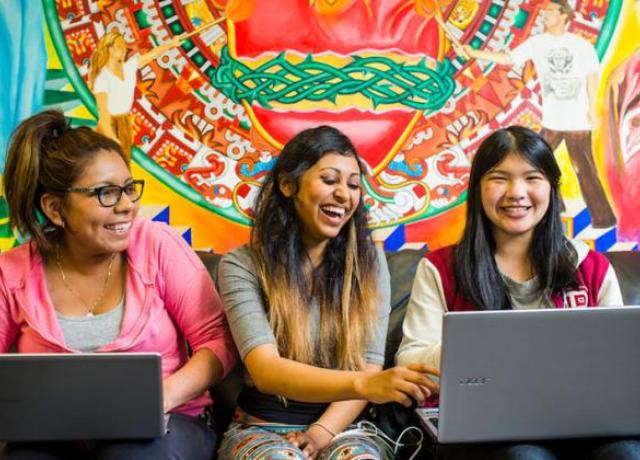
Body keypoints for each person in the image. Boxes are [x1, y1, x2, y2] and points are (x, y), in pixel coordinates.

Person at [0, 110, 237, 459]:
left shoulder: (158, 244)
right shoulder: (13, 271)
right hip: (54, 436)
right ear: (54, 208)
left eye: (128, 189)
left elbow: (218, 341)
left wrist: (163, 397)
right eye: (106, 193)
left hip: (170, 424)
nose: (127, 206)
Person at [396, 126, 640, 460]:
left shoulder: (591, 268)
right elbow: (410, 359)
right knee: (525, 456)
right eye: (499, 178)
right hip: (485, 429)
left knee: (627, 453)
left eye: (532, 178)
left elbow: (619, 366)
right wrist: (474, 348)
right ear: (478, 187)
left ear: (552, 188)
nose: (517, 192)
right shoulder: (441, 268)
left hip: (582, 422)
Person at [216, 125, 439, 460]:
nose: (344, 195)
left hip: (345, 429)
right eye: (330, 180)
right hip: (261, 426)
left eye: (353, 185)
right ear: (288, 185)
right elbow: (266, 371)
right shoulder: (241, 265)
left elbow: (370, 364)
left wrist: (320, 434)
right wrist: (364, 384)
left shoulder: (370, 262)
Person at [455, 0, 617, 228]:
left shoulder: (580, 45)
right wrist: (475, 53)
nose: (545, 15)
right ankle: (556, 206)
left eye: (549, 12)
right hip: (552, 120)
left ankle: (604, 218)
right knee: (538, 164)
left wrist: (592, 108)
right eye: (544, 12)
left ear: (563, 15)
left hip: (578, 121)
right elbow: (508, 58)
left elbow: (592, 76)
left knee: (582, 166)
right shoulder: (537, 43)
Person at [88, 31, 185, 162]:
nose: (122, 49)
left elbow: (152, 54)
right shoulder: (103, 78)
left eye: (123, 46)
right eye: (118, 46)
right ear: (108, 49)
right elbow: (104, 114)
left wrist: (171, 44)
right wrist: (112, 139)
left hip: (124, 123)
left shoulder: (128, 67)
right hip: (110, 125)